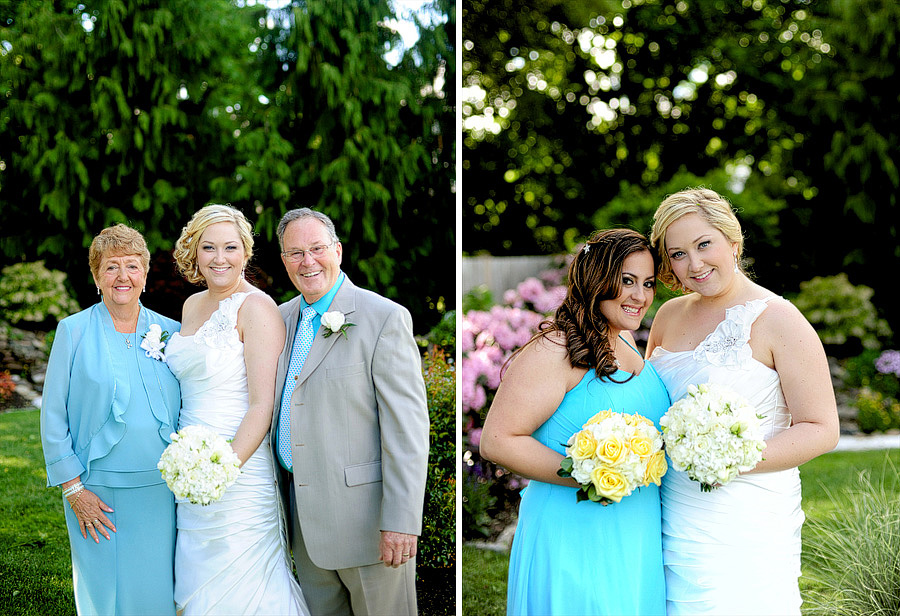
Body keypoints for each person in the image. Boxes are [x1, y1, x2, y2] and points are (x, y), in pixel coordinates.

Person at [646, 187, 840, 615]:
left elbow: (822, 429)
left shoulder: (779, 318)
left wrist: (726, 456)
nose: (694, 264)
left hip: (745, 516)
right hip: (669, 508)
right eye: (677, 254)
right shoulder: (667, 315)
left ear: (732, 241)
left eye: (703, 244)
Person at [480, 229, 668, 616]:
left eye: (647, 283)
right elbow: (497, 441)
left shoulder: (628, 339)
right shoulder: (555, 349)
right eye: (627, 281)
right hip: (573, 529)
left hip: (636, 529)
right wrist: (593, 472)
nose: (640, 296)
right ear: (597, 278)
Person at [272, 207, 430, 615]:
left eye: (316, 249)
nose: (307, 262)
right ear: (284, 260)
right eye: (295, 253)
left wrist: (401, 521)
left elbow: (407, 432)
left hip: (370, 527)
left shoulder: (383, 318)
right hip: (302, 525)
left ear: (337, 251)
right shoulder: (279, 319)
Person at [166, 204, 308, 615]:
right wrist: (193, 470)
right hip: (188, 467)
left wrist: (222, 470)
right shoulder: (191, 306)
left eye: (230, 247)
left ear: (245, 253)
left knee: (245, 583)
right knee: (198, 580)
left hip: (238, 472)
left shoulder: (258, 308)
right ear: (194, 253)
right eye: (208, 247)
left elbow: (263, 405)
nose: (219, 258)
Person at [41, 224, 181, 615]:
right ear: (96, 277)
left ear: (146, 274)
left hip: (160, 490)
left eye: (133, 266)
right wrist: (73, 490)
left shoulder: (171, 332)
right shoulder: (72, 331)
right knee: (106, 597)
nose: (123, 276)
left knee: (158, 594)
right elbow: (52, 417)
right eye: (112, 267)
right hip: (96, 490)